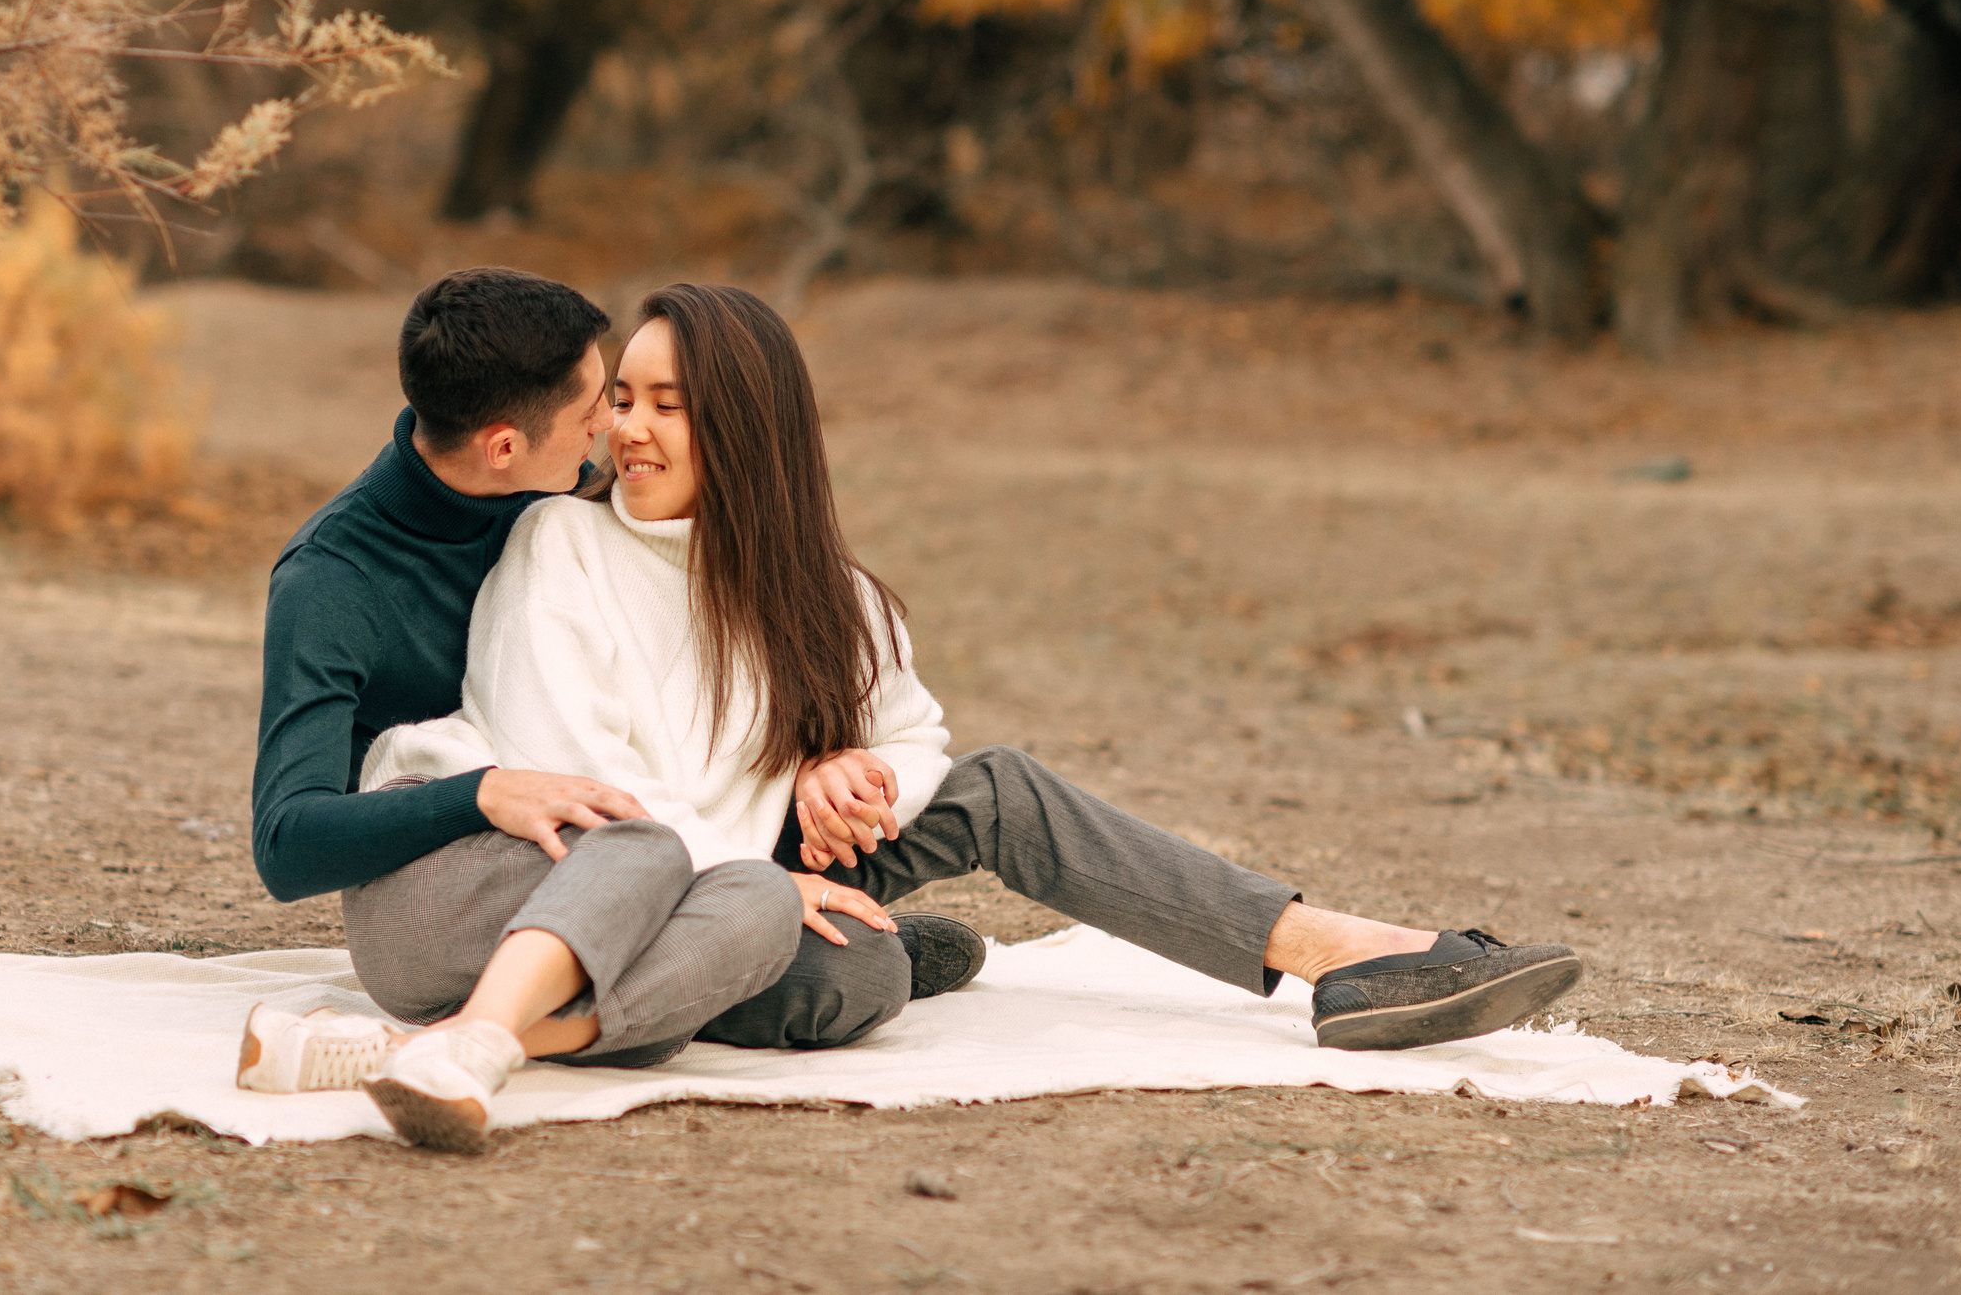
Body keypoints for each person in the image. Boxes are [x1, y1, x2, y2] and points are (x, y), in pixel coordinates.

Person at [342, 283, 1585, 1153]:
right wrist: (764, 880)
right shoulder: (561, 546)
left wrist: (853, 771)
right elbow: (583, 778)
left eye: (668, 405)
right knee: (855, 979)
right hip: (620, 874)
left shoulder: (822, 588)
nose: (627, 430)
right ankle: (862, 944)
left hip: (758, 858)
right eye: (621, 398)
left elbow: (915, 732)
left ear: (746, 426)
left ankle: (1338, 954)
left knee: (1001, 786)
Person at [239, 268, 943, 1124]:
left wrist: (819, 756)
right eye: (594, 409)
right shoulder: (333, 578)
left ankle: (451, 1046)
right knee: (647, 842)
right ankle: (510, 1019)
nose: (613, 428)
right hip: (458, 878)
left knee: (850, 966)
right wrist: (481, 792)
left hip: (579, 858)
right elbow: (287, 843)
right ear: (505, 447)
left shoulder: (549, 496)